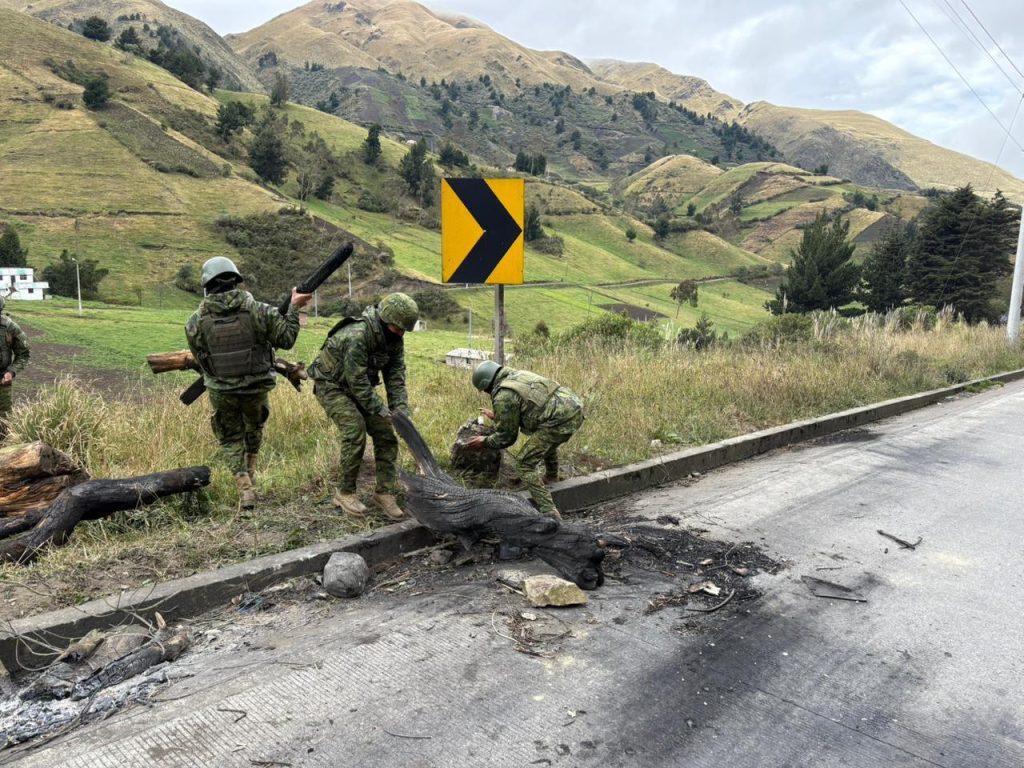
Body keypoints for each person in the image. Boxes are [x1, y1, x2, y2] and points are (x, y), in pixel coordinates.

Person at [185, 257, 311, 509]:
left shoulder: (195, 321)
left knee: (230, 437)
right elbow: (286, 339)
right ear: (236, 281)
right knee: (254, 429)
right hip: (256, 387)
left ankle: (244, 488)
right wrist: (294, 309)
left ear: (207, 285)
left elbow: (201, 357)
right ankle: (251, 476)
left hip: (222, 390)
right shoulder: (259, 310)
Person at [308, 293, 419, 520]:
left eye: (404, 330)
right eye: (398, 328)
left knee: (386, 434)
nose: (401, 333)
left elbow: (395, 376)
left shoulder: (394, 339)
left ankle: (383, 492)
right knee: (354, 430)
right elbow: (357, 381)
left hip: (359, 387)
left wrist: (400, 411)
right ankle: (345, 493)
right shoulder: (358, 335)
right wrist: (381, 410)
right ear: (385, 319)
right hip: (331, 386)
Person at [466, 361, 584, 521]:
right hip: (573, 407)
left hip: (559, 419)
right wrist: (499, 416)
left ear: (486, 385)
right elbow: (527, 406)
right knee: (544, 441)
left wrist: (485, 441)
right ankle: (551, 477)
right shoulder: (517, 375)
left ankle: (549, 512)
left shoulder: (503, 395)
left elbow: (506, 437)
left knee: (524, 465)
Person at [0, 295, 30, 436]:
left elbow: (23, 354)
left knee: (3, 422)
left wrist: (11, 372)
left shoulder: (9, 327)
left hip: (1, 380)